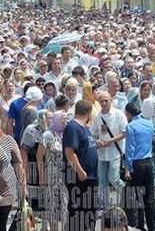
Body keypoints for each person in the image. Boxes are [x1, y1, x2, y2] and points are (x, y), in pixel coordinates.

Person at [63, 99, 99, 231]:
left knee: (89, 212)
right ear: (89, 113)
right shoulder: (73, 127)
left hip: (90, 178)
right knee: (78, 212)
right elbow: (69, 153)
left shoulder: (83, 128)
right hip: (80, 179)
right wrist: (80, 171)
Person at [124, 103, 155, 231]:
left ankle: (140, 226)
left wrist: (127, 167)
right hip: (148, 161)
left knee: (137, 198)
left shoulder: (130, 126)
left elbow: (130, 149)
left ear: (128, 113)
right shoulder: (149, 123)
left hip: (136, 164)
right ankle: (153, 228)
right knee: (149, 198)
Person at [89, 91, 127, 206]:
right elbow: (92, 134)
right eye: (102, 101)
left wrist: (111, 140)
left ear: (111, 100)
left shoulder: (119, 114)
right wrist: (97, 141)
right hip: (102, 152)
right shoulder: (97, 117)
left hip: (115, 151)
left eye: (106, 100)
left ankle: (126, 195)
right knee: (102, 181)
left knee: (114, 178)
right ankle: (106, 205)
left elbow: (125, 132)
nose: (104, 103)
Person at [37, 110, 68, 231]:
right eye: (63, 118)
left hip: (66, 177)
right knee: (52, 206)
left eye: (66, 118)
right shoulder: (47, 135)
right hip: (51, 176)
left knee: (66, 205)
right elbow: (39, 157)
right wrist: (42, 176)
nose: (65, 121)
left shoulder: (66, 133)